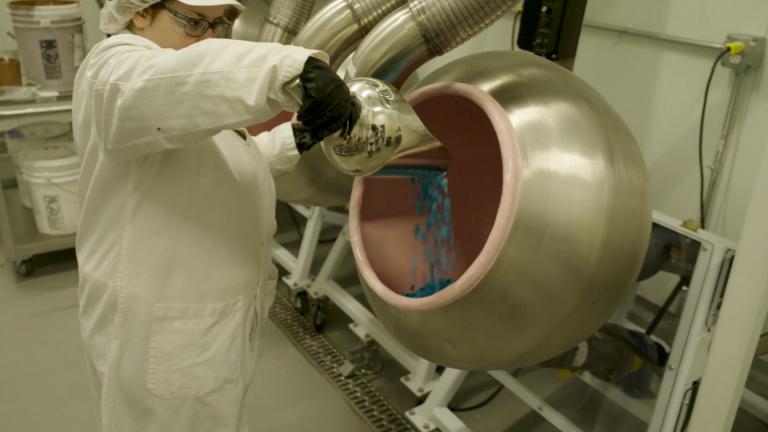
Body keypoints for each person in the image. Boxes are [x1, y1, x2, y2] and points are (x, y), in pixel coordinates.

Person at [72, 0, 358, 430]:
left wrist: (296, 138)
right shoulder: (115, 70)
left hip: (198, 326)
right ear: (140, 12)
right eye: (192, 21)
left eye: (220, 25)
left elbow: (218, 164)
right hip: (158, 330)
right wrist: (291, 70)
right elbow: (170, 84)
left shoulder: (170, 88)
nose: (208, 37)